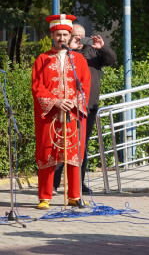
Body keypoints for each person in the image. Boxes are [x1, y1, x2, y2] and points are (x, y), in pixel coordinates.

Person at [31, 14, 91, 209]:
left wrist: (72, 102)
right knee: (48, 152)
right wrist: (55, 101)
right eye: (58, 35)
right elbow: (37, 87)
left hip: (72, 114)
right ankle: (45, 197)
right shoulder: (42, 59)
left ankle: (74, 195)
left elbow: (85, 85)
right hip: (50, 115)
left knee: (73, 154)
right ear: (53, 36)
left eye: (65, 35)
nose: (62, 38)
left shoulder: (79, 60)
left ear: (70, 36)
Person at [53, 24, 117, 195]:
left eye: (83, 36)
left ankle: (78, 184)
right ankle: (54, 183)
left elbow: (111, 60)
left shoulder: (93, 52)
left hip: (88, 107)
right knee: (63, 143)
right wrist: (71, 49)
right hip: (69, 106)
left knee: (82, 145)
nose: (80, 40)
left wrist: (102, 48)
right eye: (76, 36)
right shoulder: (66, 52)